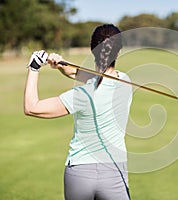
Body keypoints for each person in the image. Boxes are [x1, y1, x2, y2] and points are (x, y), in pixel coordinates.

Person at [24, 24, 132, 200]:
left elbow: (31, 107)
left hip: (79, 173)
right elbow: (78, 73)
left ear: (92, 50)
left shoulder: (80, 95)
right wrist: (60, 65)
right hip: (114, 173)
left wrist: (34, 67)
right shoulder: (126, 82)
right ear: (118, 52)